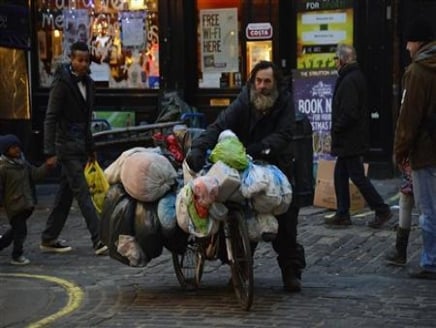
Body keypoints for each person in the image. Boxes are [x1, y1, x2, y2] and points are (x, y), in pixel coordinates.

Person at [185, 60, 306, 292]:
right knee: (240, 214)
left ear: (275, 84)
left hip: (277, 166)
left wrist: (259, 148)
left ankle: (291, 272)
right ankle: (239, 268)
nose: (262, 86)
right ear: (252, 82)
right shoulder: (244, 100)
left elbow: (284, 135)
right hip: (247, 168)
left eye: (267, 81)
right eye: (258, 81)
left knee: (286, 224)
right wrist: (199, 147)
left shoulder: (284, 103)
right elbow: (220, 125)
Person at [40, 41, 108, 255]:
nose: (83, 64)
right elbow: (50, 117)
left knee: (65, 194)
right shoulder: (61, 83)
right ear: (71, 59)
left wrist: (91, 147)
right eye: (79, 60)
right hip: (66, 146)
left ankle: (49, 237)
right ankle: (98, 239)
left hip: (81, 144)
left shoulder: (89, 83)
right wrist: (49, 151)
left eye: (87, 60)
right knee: (83, 192)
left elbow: (87, 119)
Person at [325, 44, 392, 227]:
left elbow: (350, 112)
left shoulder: (349, 80)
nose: (334, 63)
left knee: (357, 176)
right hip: (350, 138)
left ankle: (382, 209)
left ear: (342, 59)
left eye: (335, 59)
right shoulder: (353, 76)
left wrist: (336, 128)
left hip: (350, 139)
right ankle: (343, 213)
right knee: (340, 174)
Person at [393, 19, 436, 279]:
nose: (407, 48)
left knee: (429, 210)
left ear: (418, 43)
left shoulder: (418, 72)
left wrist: (400, 151)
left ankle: (431, 261)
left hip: (426, 150)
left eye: (409, 43)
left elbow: (408, 118)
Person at [0, 134, 55, 265]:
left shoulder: (23, 164)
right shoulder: (3, 168)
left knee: (16, 230)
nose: (17, 150)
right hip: (14, 205)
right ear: (6, 150)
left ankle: (1, 244)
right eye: (13, 148)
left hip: (26, 204)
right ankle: (17, 254)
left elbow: (35, 175)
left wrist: (46, 167)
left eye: (18, 147)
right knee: (21, 230)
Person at [385, 160, 414, 266]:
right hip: (418, 162)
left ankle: (400, 252)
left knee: (424, 208)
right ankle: (400, 251)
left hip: (420, 161)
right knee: (406, 200)